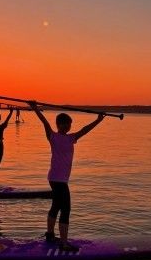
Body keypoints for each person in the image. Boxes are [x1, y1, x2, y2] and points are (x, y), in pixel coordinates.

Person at [29, 101, 105, 252]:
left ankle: (50, 235)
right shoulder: (52, 136)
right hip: (58, 180)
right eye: (65, 124)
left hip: (56, 179)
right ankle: (64, 243)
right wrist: (35, 109)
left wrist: (98, 120)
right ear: (58, 124)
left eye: (69, 125)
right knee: (66, 209)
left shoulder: (71, 138)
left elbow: (85, 130)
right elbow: (44, 121)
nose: (68, 127)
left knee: (56, 206)